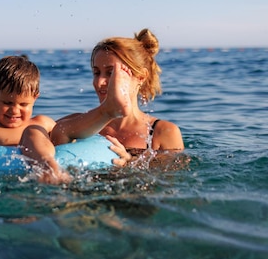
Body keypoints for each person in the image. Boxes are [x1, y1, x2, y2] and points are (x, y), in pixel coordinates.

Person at [20, 28, 184, 183]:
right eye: (96, 72)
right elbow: (32, 133)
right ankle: (107, 111)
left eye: (111, 73)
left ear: (140, 77)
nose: (100, 82)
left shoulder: (163, 132)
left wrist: (132, 163)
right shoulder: (76, 123)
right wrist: (45, 163)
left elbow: (171, 180)